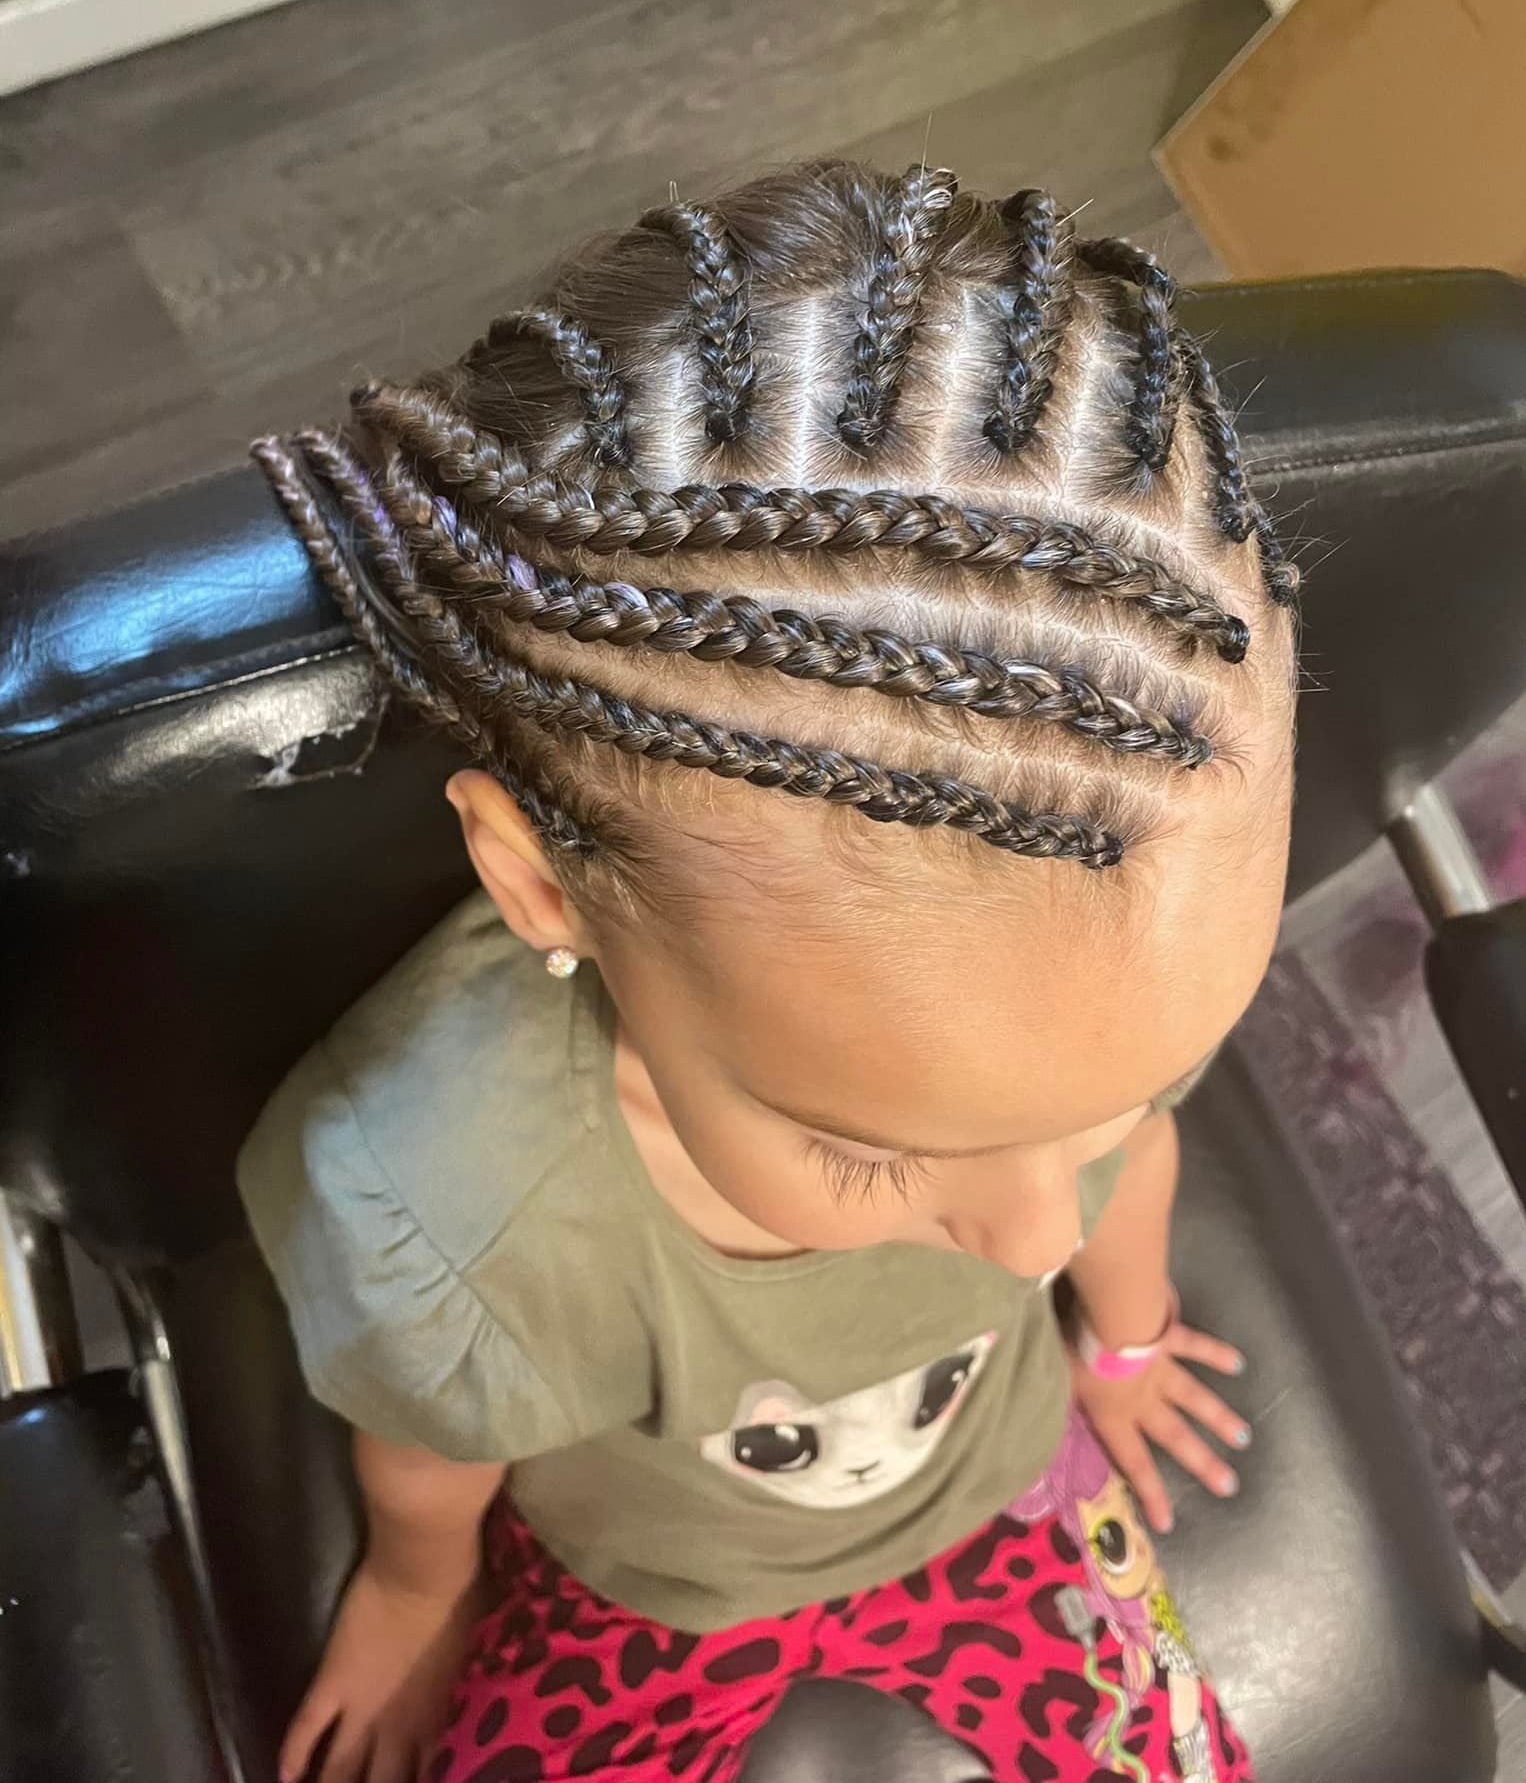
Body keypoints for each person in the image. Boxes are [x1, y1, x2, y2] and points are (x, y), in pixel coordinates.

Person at [242, 160, 1298, 1783]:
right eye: (869, 1151)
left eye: (1112, 1099)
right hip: (654, 1591)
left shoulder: (1098, 987)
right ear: (545, 889)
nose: (1037, 1243)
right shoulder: (448, 1212)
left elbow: (1128, 1162)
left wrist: (1130, 1341)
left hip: (1008, 1488)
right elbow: (430, 1454)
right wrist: (415, 1587)